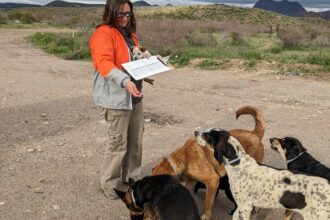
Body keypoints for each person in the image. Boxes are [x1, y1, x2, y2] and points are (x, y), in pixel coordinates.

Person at [89, 0, 144, 199]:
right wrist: (125, 82)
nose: (124, 18)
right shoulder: (103, 33)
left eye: (128, 14)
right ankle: (111, 184)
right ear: (110, 12)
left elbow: (134, 61)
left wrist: (150, 64)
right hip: (117, 99)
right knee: (118, 143)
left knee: (135, 142)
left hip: (135, 97)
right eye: (120, 14)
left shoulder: (131, 35)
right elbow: (104, 63)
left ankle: (132, 178)